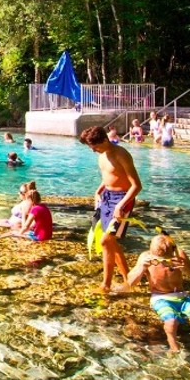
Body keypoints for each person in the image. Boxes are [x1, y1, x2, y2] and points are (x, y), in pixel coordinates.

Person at [79, 125, 142, 293]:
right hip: (106, 198)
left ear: (105, 140)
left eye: (95, 147)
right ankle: (129, 279)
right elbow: (109, 176)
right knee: (109, 241)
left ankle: (105, 286)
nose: (94, 151)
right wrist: (98, 190)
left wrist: (121, 205)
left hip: (123, 199)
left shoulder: (121, 154)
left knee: (106, 241)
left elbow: (136, 185)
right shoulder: (102, 156)